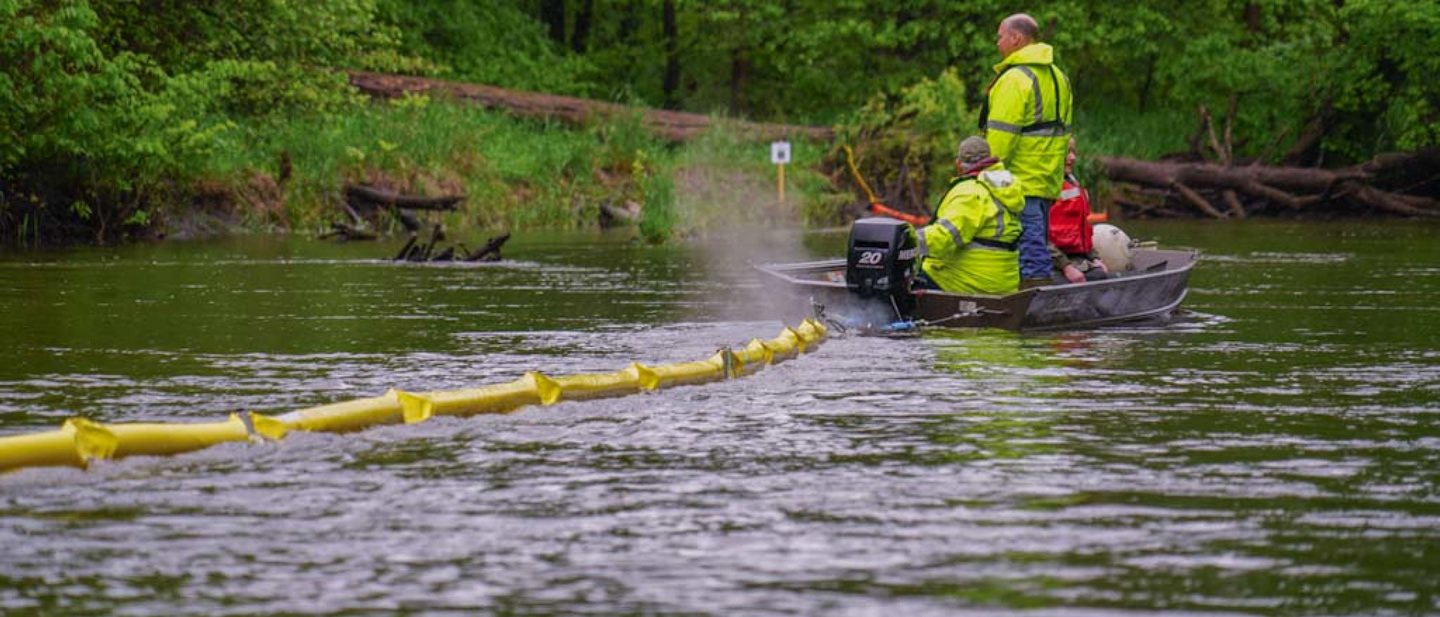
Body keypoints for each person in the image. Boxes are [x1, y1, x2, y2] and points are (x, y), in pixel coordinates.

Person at [981, 13, 1074, 287]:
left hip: (1018, 183)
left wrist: (983, 176)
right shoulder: (1060, 78)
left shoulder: (1014, 79)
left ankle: (1033, 311)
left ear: (1016, 38)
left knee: (1030, 255)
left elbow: (1000, 138)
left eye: (1000, 37)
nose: (997, 44)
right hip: (1047, 181)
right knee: (1037, 244)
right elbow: (1064, 135)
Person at [912, 136, 1025, 295]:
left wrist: (908, 240)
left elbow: (945, 237)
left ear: (958, 164)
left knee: (905, 282)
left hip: (969, 282)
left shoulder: (970, 192)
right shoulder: (1005, 188)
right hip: (1003, 282)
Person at [1049, 137, 1108, 283]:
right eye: (1066, 152)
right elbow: (1039, 237)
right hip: (1054, 260)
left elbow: (1082, 230)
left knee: (1099, 274)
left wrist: (1095, 258)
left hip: (1075, 257)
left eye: (1073, 152)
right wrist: (1066, 266)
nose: (1072, 158)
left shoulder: (1072, 182)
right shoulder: (1044, 188)